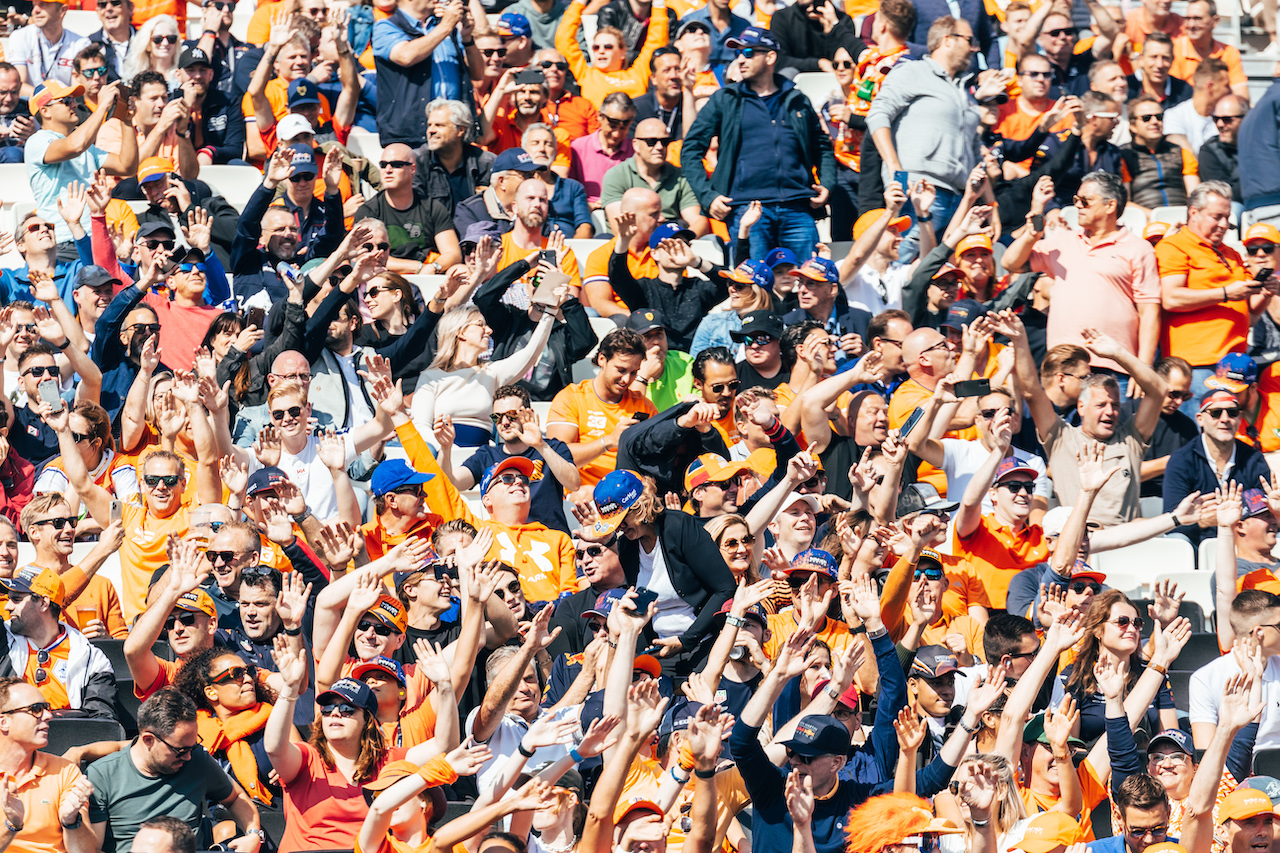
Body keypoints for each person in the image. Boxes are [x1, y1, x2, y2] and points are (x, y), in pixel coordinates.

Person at [682, 26, 833, 263]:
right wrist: (708, 196)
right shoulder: (726, 99)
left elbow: (822, 146)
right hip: (747, 209)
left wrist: (827, 183)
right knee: (753, 291)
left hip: (797, 207)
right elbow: (690, 149)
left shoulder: (797, 99)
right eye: (738, 53)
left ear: (770, 57)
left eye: (749, 52)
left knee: (808, 287)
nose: (741, 59)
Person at [999, 313, 1167, 526]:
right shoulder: (1061, 438)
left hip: (1126, 545)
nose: (1110, 412)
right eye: (1101, 405)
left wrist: (1118, 354)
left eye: (1115, 405)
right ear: (1081, 407)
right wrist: (1020, 339)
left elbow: (1159, 390)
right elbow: (1031, 392)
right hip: (1079, 543)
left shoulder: (1131, 439)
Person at [1003, 171, 1161, 377]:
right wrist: (1033, 232)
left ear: (1110, 206)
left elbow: (1149, 312)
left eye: (1085, 201)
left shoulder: (1139, 248)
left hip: (1114, 366)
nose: (1077, 205)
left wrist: (1144, 368)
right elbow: (1010, 262)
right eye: (1076, 199)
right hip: (1062, 366)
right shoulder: (1063, 242)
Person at [581, 470, 736, 672]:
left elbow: (725, 587)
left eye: (621, 520)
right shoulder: (628, 546)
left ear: (639, 507)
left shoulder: (679, 526)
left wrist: (686, 640)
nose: (619, 528)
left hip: (704, 642)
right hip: (660, 649)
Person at [87, 688, 265, 853]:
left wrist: (253, 834)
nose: (188, 757)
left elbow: (235, 798)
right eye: (180, 750)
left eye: (193, 746)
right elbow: (92, 848)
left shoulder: (197, 759)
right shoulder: (102, 775)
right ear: (148, 740)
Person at [1156, 181, 1273, 411]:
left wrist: (1266, 292)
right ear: (1194, 213)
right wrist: (1226, 293)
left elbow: (1251, 316)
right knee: (1200, 435)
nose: (1223, 224)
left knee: (1227, 438)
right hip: (1197, 365)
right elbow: (1171, 298)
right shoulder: (1174, 246)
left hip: (1234, 363)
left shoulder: (1232, 254)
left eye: (1227, 217)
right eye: (1216, 216)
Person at [868, 17, 981, 251]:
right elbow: (877, 114)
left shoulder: (964, 91)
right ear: (947, 40)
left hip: (959, 199)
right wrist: (894, 168)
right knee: (905, 267)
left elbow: (975, 150)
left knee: (943, 280)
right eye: (969, 40)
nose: (975, 48)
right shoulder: (912, 71)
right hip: (919, 192)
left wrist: (990, 203)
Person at [410, 303, 557, 456]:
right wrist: (451, 452)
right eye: (481, 325)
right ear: (461, 332)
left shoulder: (491, 372)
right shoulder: (431, 377)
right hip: (441, 455)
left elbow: (531, 353)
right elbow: (420, 426)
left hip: (480, 458)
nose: (489, 330)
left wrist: (550, 311)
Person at [442, 386, 579, 534]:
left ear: (528, 413)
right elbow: (451, 483)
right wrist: (445, 448)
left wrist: (540, 446)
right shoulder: (487, 455)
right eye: (497, 417)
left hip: (552, 541)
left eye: (512, 415)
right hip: (507, 545)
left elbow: (574, 483)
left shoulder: (552, 447)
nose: (505, 422)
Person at [26, 80, 137, 248]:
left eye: (73, 100)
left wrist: (127, 120)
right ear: (45, 111)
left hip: (95, 238)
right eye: (66, 101)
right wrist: (101, 108)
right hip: (63, 240)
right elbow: (74, 146)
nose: (74, 105)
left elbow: (126, 166)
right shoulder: (37, 141)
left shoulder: (86, 147)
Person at [0, 563, 116, 719]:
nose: (7, 606)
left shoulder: (92, 659)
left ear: (43, 603)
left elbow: (101, 721)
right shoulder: (4, 641)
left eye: (17, 600)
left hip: (67, 740)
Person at [546, 329, 656, 488]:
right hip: (582, 494)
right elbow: (557, 457)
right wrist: (609, 441)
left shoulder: (644, 405)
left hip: (631, 493)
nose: (626, 380)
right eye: (621, 370)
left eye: (634, 373)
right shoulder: (572, 397)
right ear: (602, 359)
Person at [0, 677, 97, 853]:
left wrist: (71, 821)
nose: (48, 716)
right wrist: (11, 826)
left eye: (47, 708)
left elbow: (85, 852)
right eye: (36, 709)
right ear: (4, 722)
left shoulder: (65, 771)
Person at [1163, 388, 1271, 546]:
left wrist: (1229, 516)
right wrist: (1201, 521)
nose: (1225, 419)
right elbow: (1171, 519)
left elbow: (1265, 512)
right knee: (1176, 540)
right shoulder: (1181, 460)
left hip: (1244, 543)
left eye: (1232, 412)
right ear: (1200, 419)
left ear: (1240, 417)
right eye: (1216, 413)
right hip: (1197, 544)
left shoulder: (1253, 459)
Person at [19, 492, 126, 637]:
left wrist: (107, 640)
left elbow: (123, 641)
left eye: (72, 521)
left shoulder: (102, 585)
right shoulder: (20, 581)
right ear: (34, 532)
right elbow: (54, 592)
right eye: (59, 523)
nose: (69, 529)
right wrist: (102, 550)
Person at [354, 145, 461, 276]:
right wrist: (419, 267)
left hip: (428, 276)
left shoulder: (432, 207)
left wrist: (433, 267)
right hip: (384, 276)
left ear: (413, 169)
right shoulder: (368, 211)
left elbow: (453, 254)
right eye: (383, 165)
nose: (388, 170)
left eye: (396, 165)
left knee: (461, 271)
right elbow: (367, 256)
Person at [600, 117, 707, 234]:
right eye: (651, 142)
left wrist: (682, 241)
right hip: (629, 243)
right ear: (635, 145)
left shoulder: (680, 176)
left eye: (665, 142)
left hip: (671, 240)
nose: (660, 147)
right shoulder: (616, 176)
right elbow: (620, 227)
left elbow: (698, 221)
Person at [554, 0, 668, 108]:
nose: (601, 51)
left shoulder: (638, 74)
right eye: (596, 47)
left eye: (608, 47)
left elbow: (656, 42)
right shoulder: (585, 74)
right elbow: (564, 40)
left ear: (622, 52)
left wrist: (658, 5)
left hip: (632, 126)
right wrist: (579, 3)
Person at [411, 99, 495, 216]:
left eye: (439, 125)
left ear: (460, 130)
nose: (431, 130)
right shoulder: (416, 162)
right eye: (429, 125)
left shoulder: (486, 163)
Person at [1123, 94, 1199, 212]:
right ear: (1133, 126)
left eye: (1159, 117)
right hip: (1145, 220)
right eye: (1146, 118)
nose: (1154, 122)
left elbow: (1195, 195)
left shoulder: (1181, 152)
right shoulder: (1123, 155)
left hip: (1181, 216)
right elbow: (1124, 202)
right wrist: (1154, 216)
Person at [8, 0, 90, 94]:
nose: (35, 10)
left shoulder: (81, 43)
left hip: (66, 104)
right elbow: (18, 85)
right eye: (34, 5)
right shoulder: (19, 36)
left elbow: (78, 87)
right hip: (29, 104)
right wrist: (50, 99)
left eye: (43, 5)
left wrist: (58, 102)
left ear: (62, 10)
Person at [1162, 57, 1232, 156]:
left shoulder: (1228, 119)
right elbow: (1186, 157)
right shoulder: (1174, 116)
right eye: (1226, 85)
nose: (1230, 90)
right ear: (1210, 86)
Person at [1198, 94, 1247, 206]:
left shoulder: (1263, 145)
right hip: (1233, 205)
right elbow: (1223, 194)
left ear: (1246, 118)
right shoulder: (1209, 151)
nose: (1220, 124)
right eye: (1215, 119)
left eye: (1227, 119)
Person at [1127, 32, 1192, 107]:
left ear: (1172, 61)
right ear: (1141, 59)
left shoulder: (1184, 91)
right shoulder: (1127, 87)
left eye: (1165, 58)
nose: (1159, 65)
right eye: (1154, 57)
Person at [86, 0, 136, 80]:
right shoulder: (88, 45)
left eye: (116, 3)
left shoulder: (151, 42)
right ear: (98, 12)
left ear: (130, 9)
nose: (108, 8)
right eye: (103, 5)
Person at [0, 65, 36, 164]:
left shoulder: (32, 110)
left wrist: (33, 136)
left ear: (20, 86)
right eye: (3, 92)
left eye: (14, 92)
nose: (9, 99)